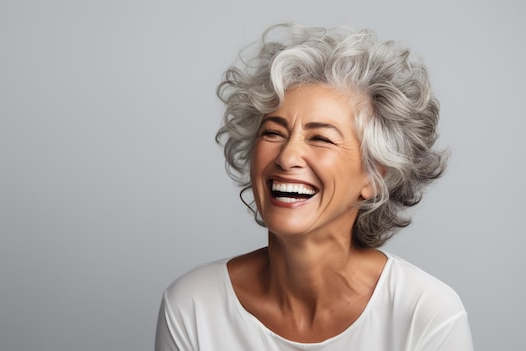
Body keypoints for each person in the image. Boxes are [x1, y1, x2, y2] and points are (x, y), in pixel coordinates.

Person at [155, 23, 473, 350]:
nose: (287, 156)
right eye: (273, 132)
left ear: (375, 175)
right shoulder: (194, 306)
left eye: (320, 138)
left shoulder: (428, 315)